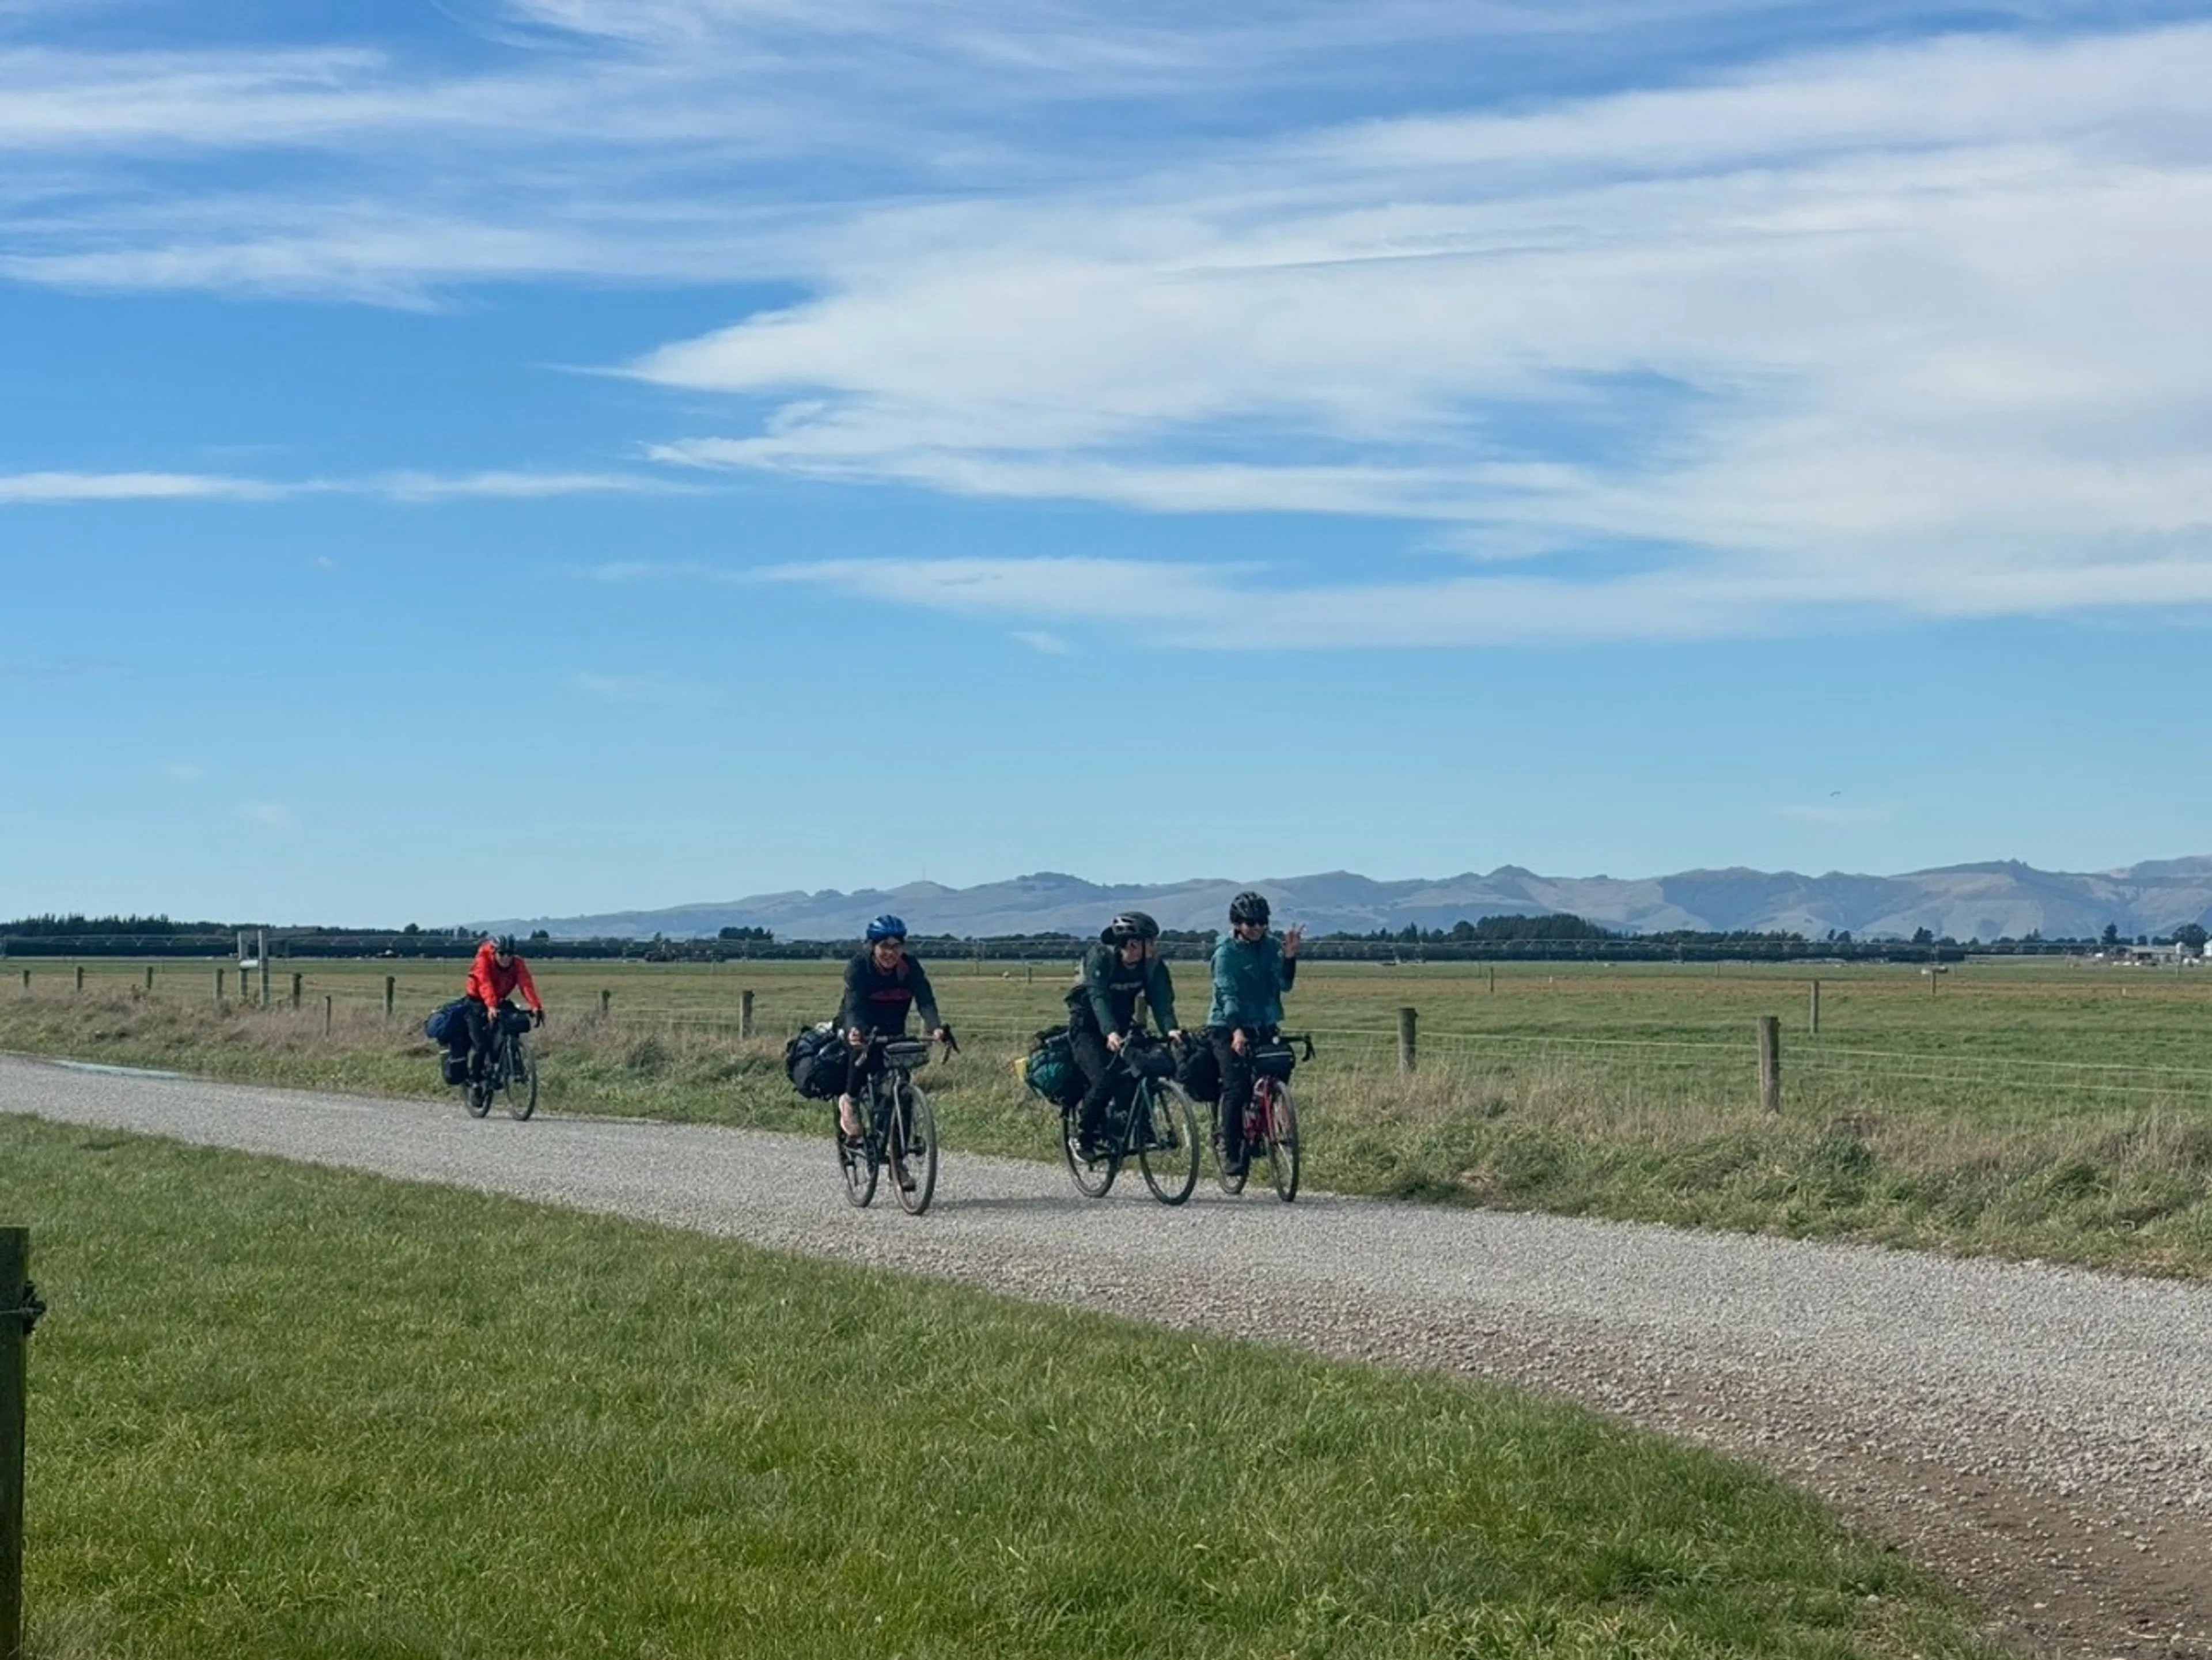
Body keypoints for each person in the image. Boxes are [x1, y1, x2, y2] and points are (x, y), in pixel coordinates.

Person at [1065, 911, 1181, 1158]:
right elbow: (1098, 998)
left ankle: (1140, 1126)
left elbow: (1161, 1000)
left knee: (1143, 1069)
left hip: (1122, 1023)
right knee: (1103, 1078)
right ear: (1131, 943)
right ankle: (1083, 1137)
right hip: (1087, 1026)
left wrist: (1171, 1029)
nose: (1154, 946)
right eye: (1149, 941)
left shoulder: (1152, 965)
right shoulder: (1101, 958)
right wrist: (1110, 1032)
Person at [1206, 890, 1301, 1177]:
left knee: (1276, 1074)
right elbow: (1227, 995)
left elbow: (1284, 985)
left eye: (1261, 922)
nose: (1257, 927)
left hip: (1264, 1023)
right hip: (1227, 1026)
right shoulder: (1225, 954)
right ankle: (1232, 1150)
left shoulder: (1272, 946)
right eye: (1250, 923)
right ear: (1237, 924)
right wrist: (1236, 1032)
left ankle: (1264, 1125)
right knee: (1236, 1087)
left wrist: (1289, 957)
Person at [836, 915, 948, 1141]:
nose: (891, 953)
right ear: (872, 946)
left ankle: (899, 1158)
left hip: (894, 1029)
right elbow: (853, 1006)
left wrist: (935, 1027)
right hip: (861, 1024)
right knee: (861, 1054)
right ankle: (849, 1100)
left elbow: (925, 1000)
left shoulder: (910, 967)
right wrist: (855, 1030)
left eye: (897, 946)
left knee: (902, 1092)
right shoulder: (859, 967)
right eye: (884, 947)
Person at [460, 934, 544, 1092]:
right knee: (481, 1044)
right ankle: (476, 1081)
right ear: (494, 952)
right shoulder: (483, 960)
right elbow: (485, 984)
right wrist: (491, 1006)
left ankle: (509, 1064)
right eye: (502, 954)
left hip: (498, 1000)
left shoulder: (518, 963)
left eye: (510, 954)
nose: (506, 958)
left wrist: (536, 1006)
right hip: (476, 1001)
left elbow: (526, 984)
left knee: (512, 1026)